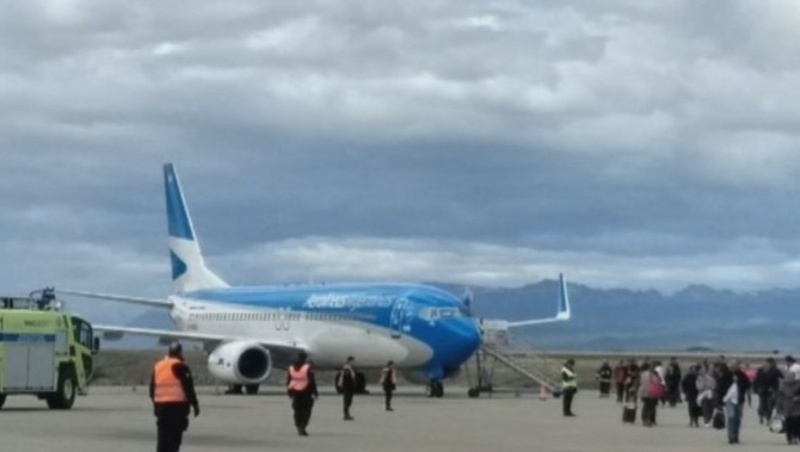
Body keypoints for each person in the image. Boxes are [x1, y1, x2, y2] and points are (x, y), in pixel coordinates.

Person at [149, 342, 200, 452]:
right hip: (177, 409)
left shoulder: (158, 366)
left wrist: (156, 406)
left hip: (162, 408)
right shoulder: (180, 366)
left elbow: (152, 390)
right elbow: (188, 388)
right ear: (179, 352)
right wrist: (195, 405)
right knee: (174, 441)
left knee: (162, 440)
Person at [717, 361, 750, 445]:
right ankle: (730, 436)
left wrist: (741, 387)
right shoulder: (725, 376)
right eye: (732, 366)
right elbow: (720, 389)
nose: (733, 368)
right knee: (731, 417)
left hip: (739, 400)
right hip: (729, 400)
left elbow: (747, 385)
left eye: (735, 366)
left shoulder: (742, 375)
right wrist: (719, 401)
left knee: (738, 419)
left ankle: (736, 435)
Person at [287, 352, 318, 436]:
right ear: (305, 358)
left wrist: (289, 392)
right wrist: (315, 392)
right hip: (306, 391)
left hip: (295, 391)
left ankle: (298, 425)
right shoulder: (307, 367)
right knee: (306, 410)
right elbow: (312, 381)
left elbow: (289, 380)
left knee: (297, 410)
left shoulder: (291, 367)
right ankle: (303, 426)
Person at [337, 356, 356, 420]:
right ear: (349, 361)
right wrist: (349, 386)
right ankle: (346, 415)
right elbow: (347, 379)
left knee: (349, 401)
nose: (354, 362)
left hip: (349, 387)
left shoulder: (350, 368)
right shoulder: (347, 369)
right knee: (347, 401)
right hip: (347, 387)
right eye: (353, 361)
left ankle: (347, 414)